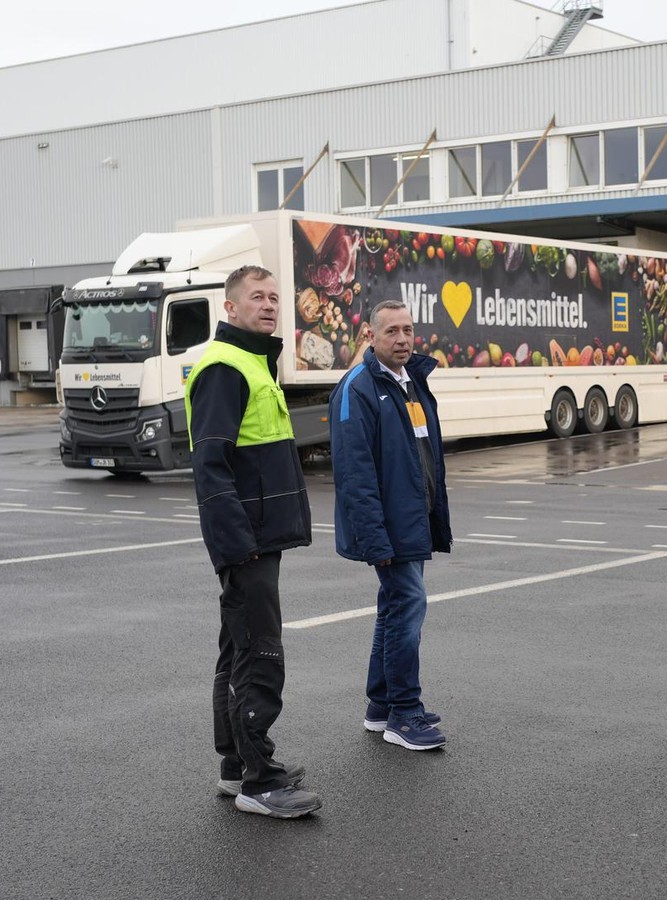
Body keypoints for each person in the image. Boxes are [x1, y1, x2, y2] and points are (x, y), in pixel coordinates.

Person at [185, 264, 321, 819]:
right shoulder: (226, 367)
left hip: (258, 536)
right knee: (261, 653)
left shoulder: (252, 361)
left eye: (273, 297)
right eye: (256, 297)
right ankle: (260, 782)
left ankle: (237, 765)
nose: (268, 305)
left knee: (238, 648)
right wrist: (238, 545)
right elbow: (210, 467)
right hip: (249, 542)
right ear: (230, 307)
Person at [330, 299, 453, 751]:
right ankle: (405, 713)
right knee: (408, 607)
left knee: (395, 608)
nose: (402, 339)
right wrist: (373, 538)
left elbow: (423, 456)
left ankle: (381, 707)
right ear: (370, 336)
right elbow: (353, 473)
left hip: (412, 519)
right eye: (391, 332)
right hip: (389, 526)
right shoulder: (358, 388)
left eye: (408, 330)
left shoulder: (412, 382)